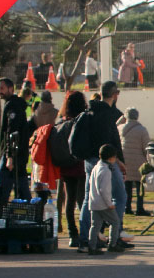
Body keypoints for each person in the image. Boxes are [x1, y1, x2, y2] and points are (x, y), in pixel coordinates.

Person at [77, 80, 132, 252]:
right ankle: (114, 236)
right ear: (114, 94)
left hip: (89, 159)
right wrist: (120, 161)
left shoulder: (90, 111)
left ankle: (86, 238)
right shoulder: (108, 114)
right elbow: (112, 141)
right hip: (106, 161)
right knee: (120, 196)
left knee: (89, 198)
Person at [0, 77, 31, 213]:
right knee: (21, 185)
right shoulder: (17, 105)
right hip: (20, 154)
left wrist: (9, 156)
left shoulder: (12, 106)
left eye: (2, 88)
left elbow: (12, 132)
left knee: (2, 186)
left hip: (13, 154)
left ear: (11, 89)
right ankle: (28, 214)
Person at [55, 90, 88, 247]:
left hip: (66, 165)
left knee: (69, 200)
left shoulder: (63, 120)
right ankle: (84, 232)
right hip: (80, 163)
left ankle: (72, 233)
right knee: (82, 200)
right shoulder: (83, 119)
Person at [86, 143, 124, 254]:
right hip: (103, 203)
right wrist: (109, 203)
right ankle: (112, 244)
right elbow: (104, 189)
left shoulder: (96, 167)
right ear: (112, 157)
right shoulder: (106, 170)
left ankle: (91, 246)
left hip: (94, 202)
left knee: (95, 225)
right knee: (115, 222)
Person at [118, 107, 150, 216]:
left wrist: (120, 119)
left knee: (127, 186)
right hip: (139, 161)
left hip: (124, 161)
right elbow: (146, 147)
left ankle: (127, 207)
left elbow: (114, 127)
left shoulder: (120, 128)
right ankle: (139, 208)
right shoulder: (142, 130)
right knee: (139, 186)